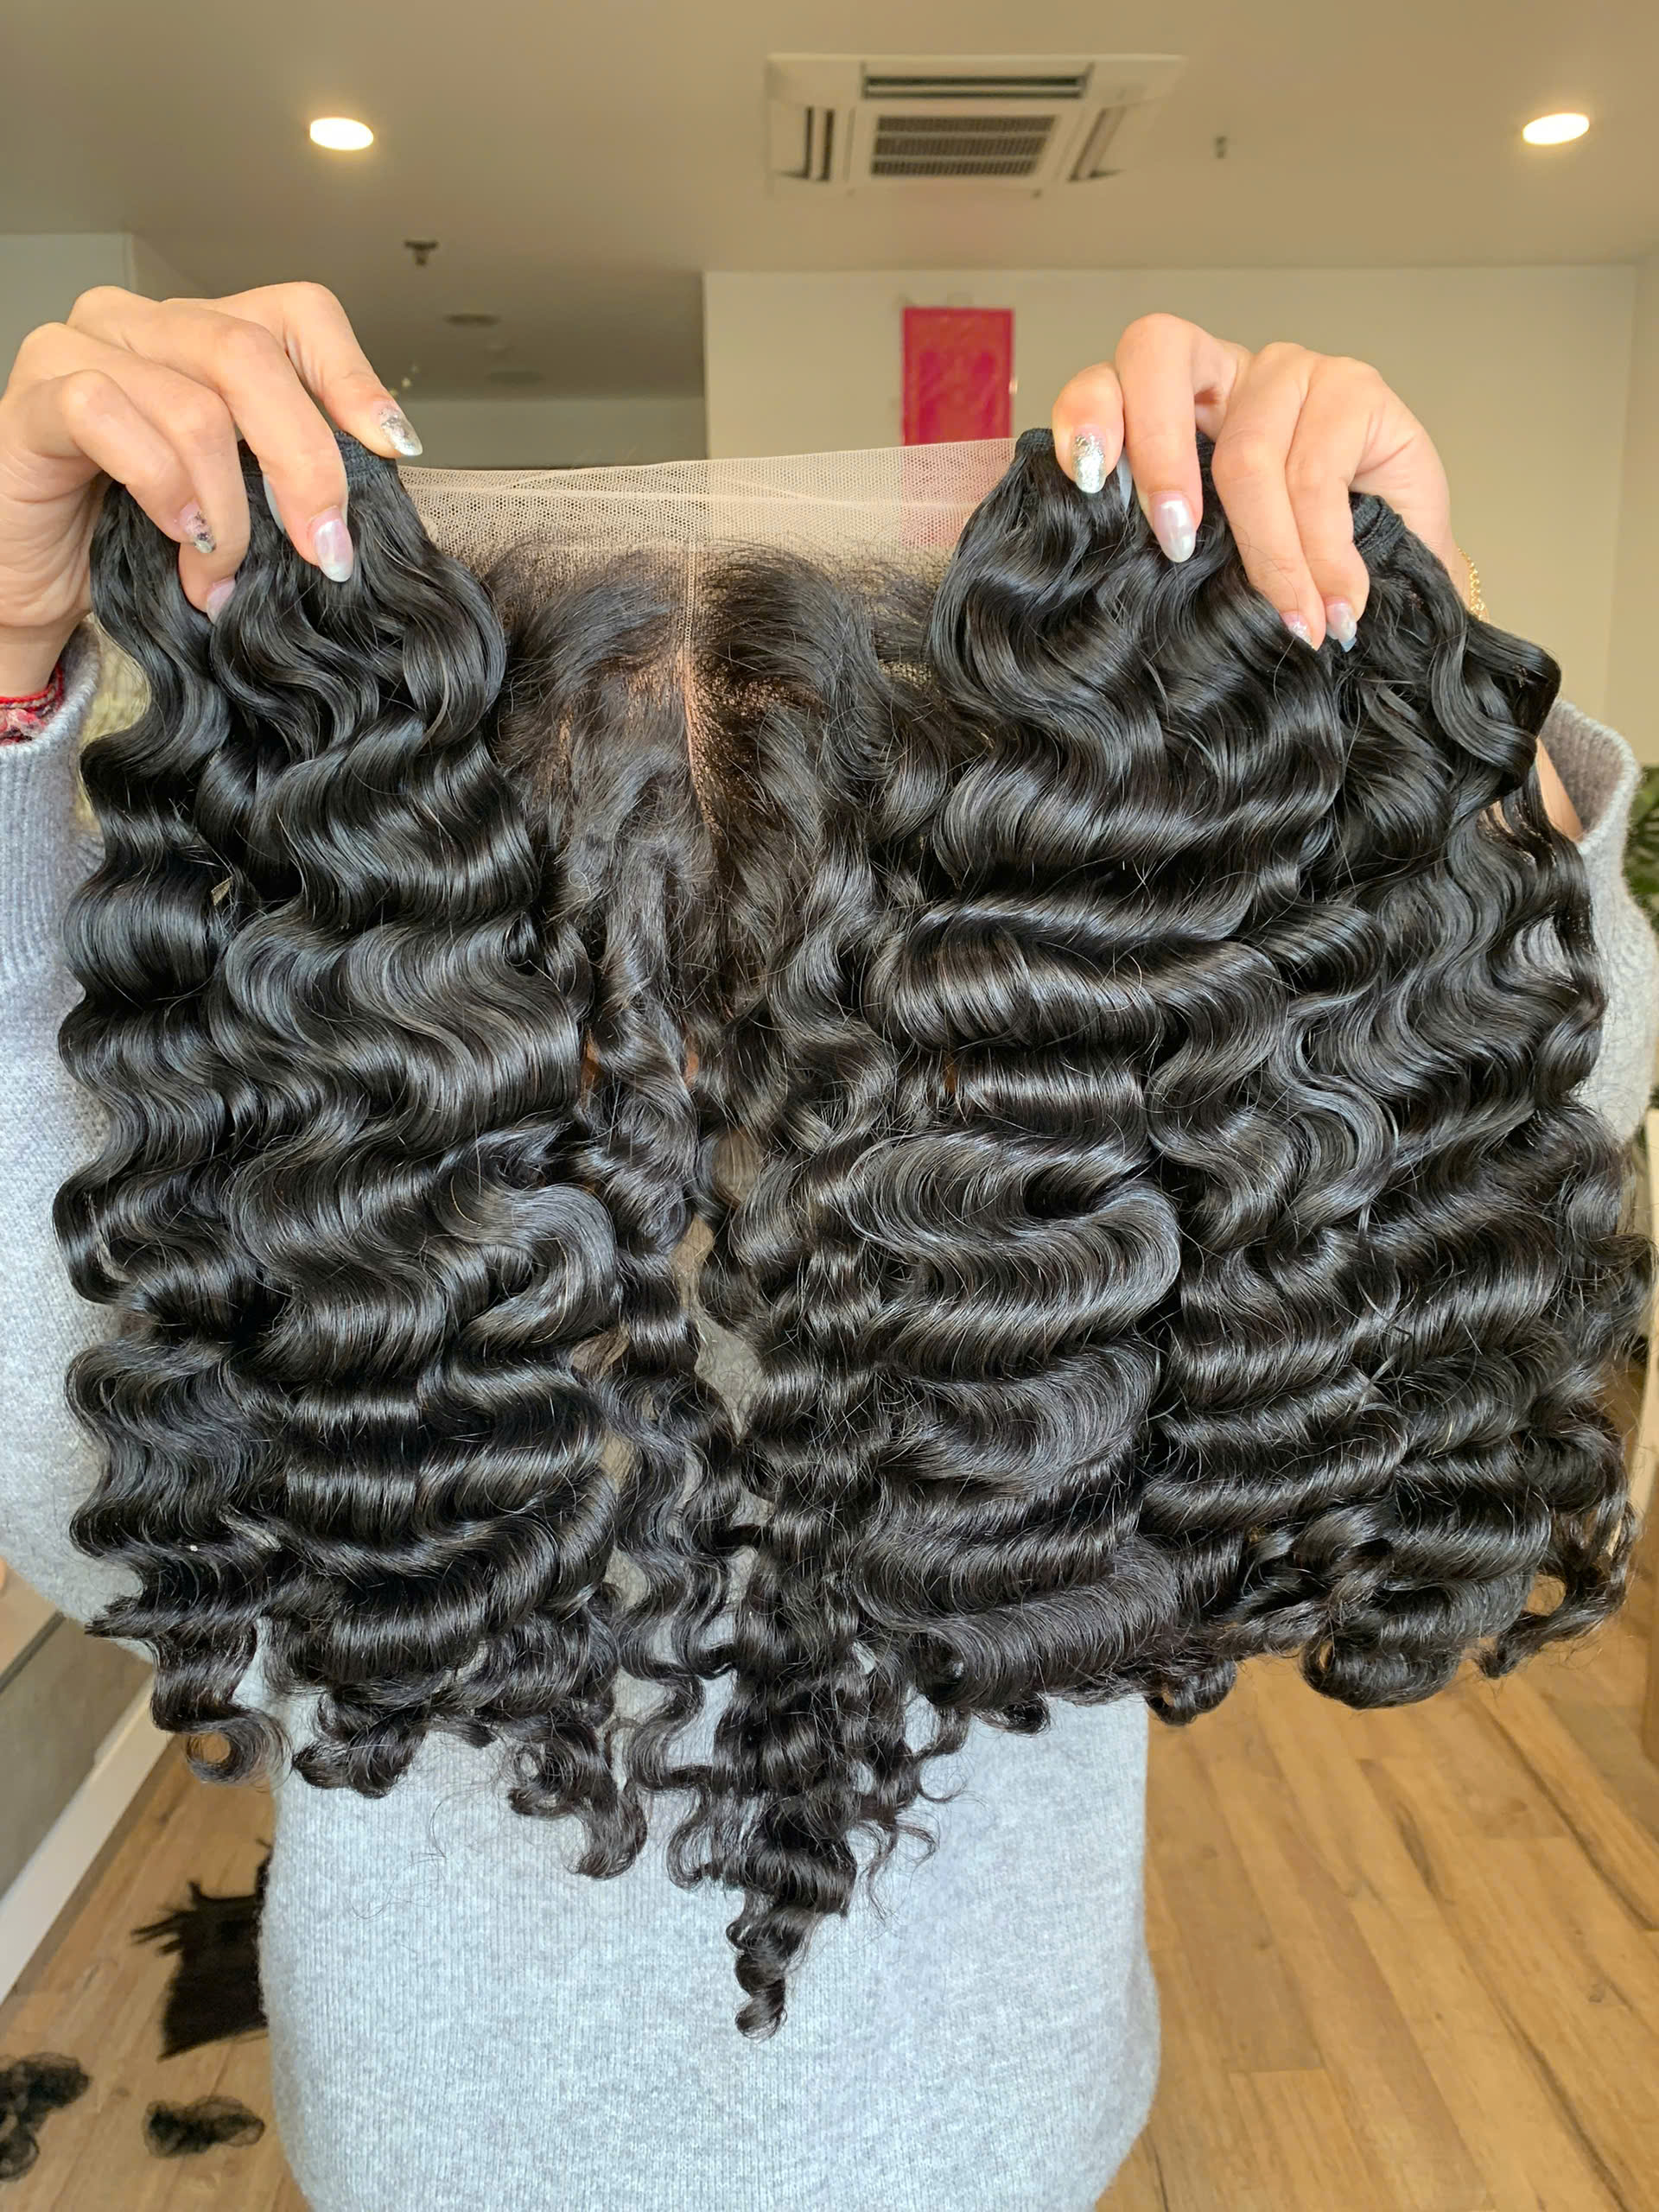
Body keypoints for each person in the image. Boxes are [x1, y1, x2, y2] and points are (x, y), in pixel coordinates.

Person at [0, 287, 1652, 2212]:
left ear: (405, 924)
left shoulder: (296, 1259)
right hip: (962, 2131)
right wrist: (1422, 704)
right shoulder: (1091, 1219)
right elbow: (1503, 1097)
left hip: (493, 2150)